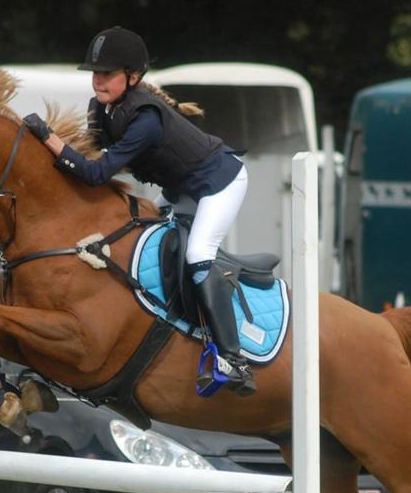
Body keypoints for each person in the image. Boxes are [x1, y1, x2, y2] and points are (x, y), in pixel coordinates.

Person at [20, 26, 256, 396]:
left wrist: (48, 138)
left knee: (197, 256)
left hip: (220, 183)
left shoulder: (145, 118)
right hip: (180, 188)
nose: (98, 81)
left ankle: (234, 359)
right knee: (143, 228)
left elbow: (96, 174)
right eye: (95, 73)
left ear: (132, 78)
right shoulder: (102, 108)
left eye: (107, 74)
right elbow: (85, 160)